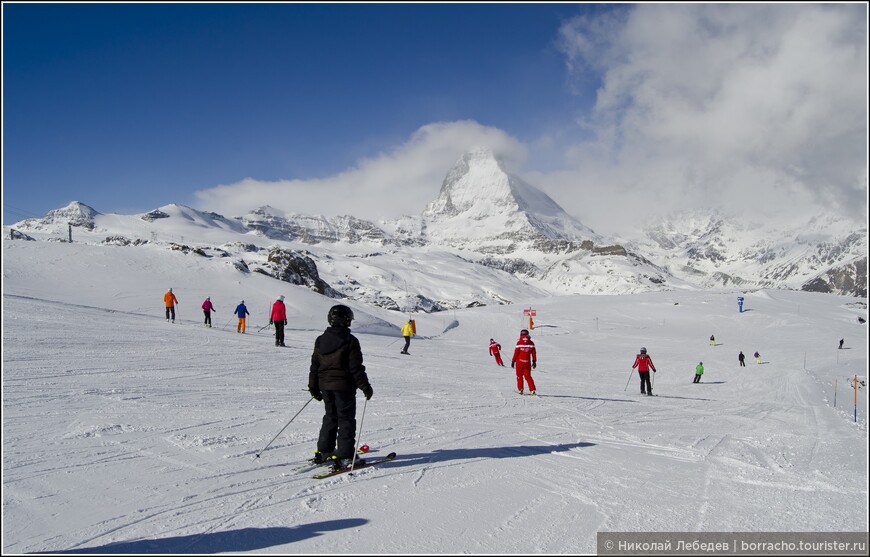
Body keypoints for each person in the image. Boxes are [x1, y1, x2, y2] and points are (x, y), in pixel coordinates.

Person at [308, 304, 373, 470]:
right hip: (343, 387)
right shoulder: (350, 341)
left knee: (330, 416)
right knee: (346, 420)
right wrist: (365, 386)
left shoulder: (321, 339)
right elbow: (355, 367)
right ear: (345, 321)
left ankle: (324, 451)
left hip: (325, 386)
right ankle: (345, 457)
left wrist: (313, 387)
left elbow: (315, 365)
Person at [511, 329, 537, 395]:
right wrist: (534, 361)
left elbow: (516, 352)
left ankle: (520, 389)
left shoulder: (519, 342)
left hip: (519, 362)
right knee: (528, 376)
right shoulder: (531, 343)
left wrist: (513, 361)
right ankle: (532, 390)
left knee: (519, 376)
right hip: (527, 362)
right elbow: (534, 353)